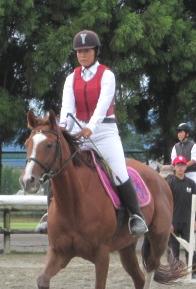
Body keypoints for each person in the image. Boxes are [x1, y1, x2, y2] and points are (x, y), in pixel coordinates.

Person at [35, 29, 148, 236]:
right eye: (79, 51)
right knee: (58, 167)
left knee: (118, 171)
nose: (82, 55)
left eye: (86, 51)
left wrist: (91, 127)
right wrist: (64, 130)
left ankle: (135, 215)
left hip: (104, 131)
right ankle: (49, 213)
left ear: (96, 51)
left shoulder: (107, 75)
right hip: (78, 132)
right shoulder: (71, 78)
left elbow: (103, 105)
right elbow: (67, 108)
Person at [170, 123, 196, 221]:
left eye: (181, 132)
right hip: (178, 174)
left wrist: (183, 167)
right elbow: (173, 161)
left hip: (191, 173)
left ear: (187, 134)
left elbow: (193, 160)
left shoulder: (193, 145)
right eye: (178, 132)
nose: (179, 134)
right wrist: (179, 169)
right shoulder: (175, 147)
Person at [167, 155, 196, 279]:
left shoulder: (191, 183)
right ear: (174, 167)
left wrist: (195, 220)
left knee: (191, 248)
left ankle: (193, 272)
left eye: (182, 165)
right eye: (178, 165)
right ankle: (174, 273)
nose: (180, 168)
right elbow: (167, 204)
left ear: (186, 167)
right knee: (173, 249)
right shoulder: (170, 184)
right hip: (174, 222)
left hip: (188, 221)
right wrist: (169, 222)